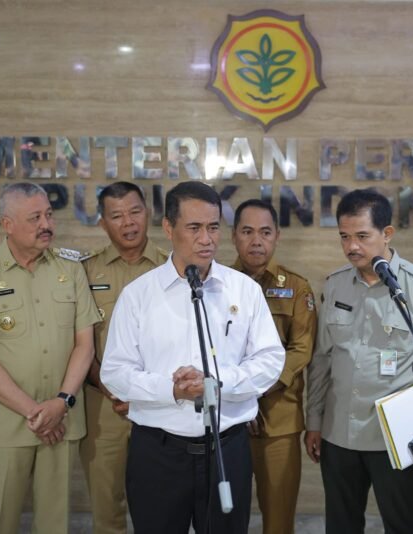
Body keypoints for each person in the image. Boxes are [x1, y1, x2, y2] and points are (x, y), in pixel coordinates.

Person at [101, 181, 285, 534]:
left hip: (226, 446)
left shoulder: (243, 290)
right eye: (195, 228)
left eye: (213, 227)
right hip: (158, 451)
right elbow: (116, 372)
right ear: (169, 229)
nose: (207, 239)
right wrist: (173, 390)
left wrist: (215, 384)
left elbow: (269, 361)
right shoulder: (138, 295)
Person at [305, 188, 413, 533]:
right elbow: (322, 360)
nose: (352, 247)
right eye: (344, 237)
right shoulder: (335, 285)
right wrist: (314, 420)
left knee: (403, 525)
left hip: (398, 437)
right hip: (339, 434)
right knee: (341, 525)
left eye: (362, 236)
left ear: (386, 234)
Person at [0, 182, 101, 534]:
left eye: (48, 215)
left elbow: (85, 344)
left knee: (55, 523)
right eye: (34, 217)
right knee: (0, 522)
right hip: (8, 425)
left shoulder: (72, 268)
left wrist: (61, 403)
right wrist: (36, 412)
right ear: (7, 224)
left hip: (62, 419)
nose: (46, 224)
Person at [80, 182, 168, 534]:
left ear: (148, 214)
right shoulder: (84, 272)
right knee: (106, 506)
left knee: (161, 505)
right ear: (103, 223)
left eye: (135, 212)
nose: (128, 222)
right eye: (117, 216)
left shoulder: (172, 266)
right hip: (103, 406)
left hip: (161, 406)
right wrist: (114, 388)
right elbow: (78, 341)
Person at [230, 199, 317, 534]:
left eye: (265, 232)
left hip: (278, 419)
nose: (256, 240)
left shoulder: (296, 288)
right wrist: (240, 399)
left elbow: (300, 350)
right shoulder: (216, 283)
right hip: (229, 419)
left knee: (278, 520)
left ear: (277, 236)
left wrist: (253, 390)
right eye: (247, 231)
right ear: (234, 236)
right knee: (225, 516)